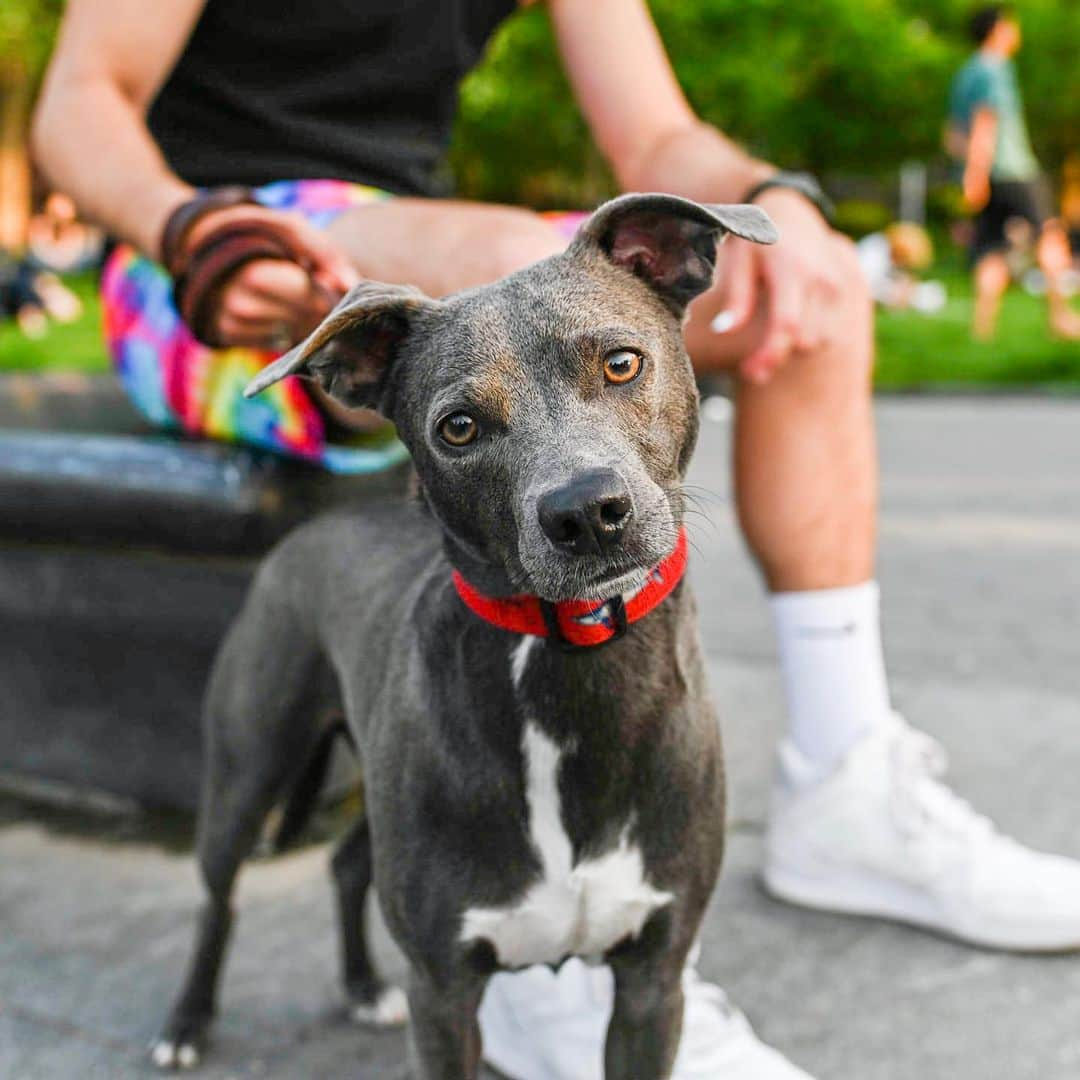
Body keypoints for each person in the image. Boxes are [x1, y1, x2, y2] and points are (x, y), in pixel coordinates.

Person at [33, 2, 1080, 1077]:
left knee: (807, 290)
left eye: (620, 370)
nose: (583, 492)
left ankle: (848, 782)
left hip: (419, 229)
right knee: (516, 263)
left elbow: (657, 135)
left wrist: (773, 202)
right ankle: (548, 986)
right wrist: (188, 225)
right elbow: (75, 105)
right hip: (198, 254)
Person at [946, 4, 1080, 341]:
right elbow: (985, 121)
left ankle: (982, 329)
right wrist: (977, 171)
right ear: (998, 29)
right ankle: (1061, 317)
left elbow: (952, 135)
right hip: (1012, 169)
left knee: (992, 248)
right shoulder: (995, 69)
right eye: (1011, 26)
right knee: (1050, 236)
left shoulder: (966, 72)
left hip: (988, 174)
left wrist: (971, 173)